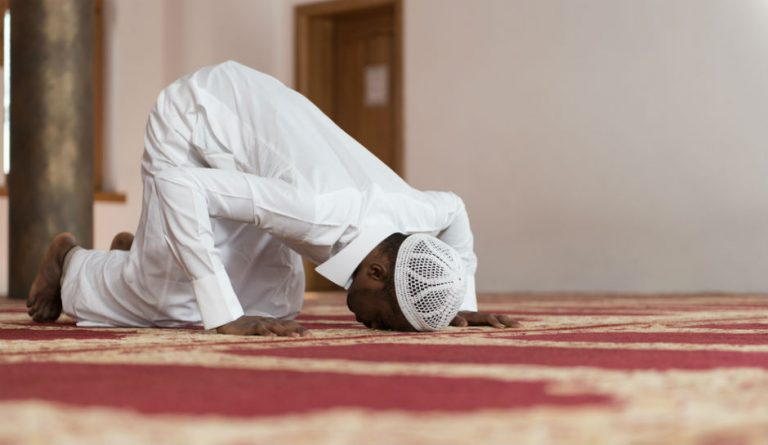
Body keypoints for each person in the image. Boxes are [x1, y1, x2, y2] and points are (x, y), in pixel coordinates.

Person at [26, 61, 519, 336]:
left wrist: (456, 298)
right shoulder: (314, 211)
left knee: (276, 305)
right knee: (176, 299)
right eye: (385, 319)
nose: (373, 327)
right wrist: (222, 316)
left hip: (254, 160)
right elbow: (184, 185)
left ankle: (157, 245)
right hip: (196, 121)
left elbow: (454, 208)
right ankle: (72, 263)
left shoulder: (410, 216)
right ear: (375, 272)